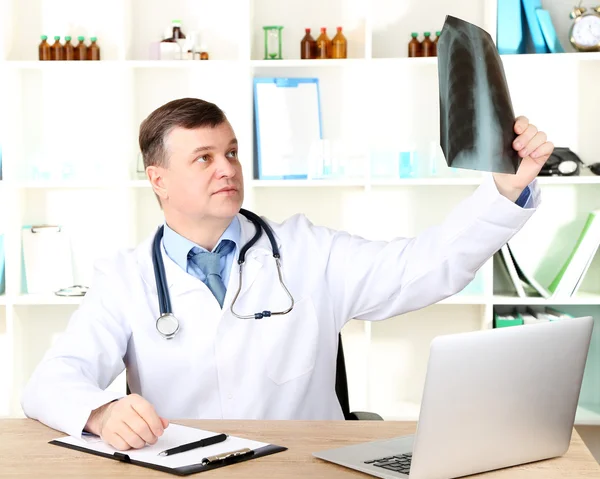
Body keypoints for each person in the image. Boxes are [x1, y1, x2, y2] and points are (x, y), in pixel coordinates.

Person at [21, 98, 553, 451]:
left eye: (230, 152)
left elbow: (427, 266)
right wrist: (102, 411)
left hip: (305, 471)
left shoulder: (305, 250)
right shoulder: (126, 278)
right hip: (181, 477)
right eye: (203, 158)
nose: (227, 168)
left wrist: (506, 188)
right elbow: (50, 383)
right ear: (158, 179)